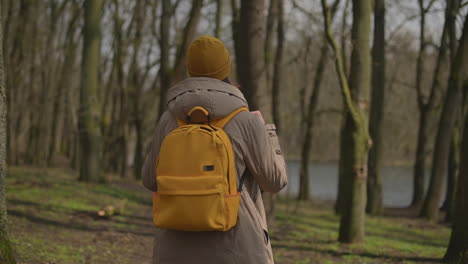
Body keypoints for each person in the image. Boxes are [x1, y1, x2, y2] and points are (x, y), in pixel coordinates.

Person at [142, 35, 288, 264]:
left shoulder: (169, 120)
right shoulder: (245, 121)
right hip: (237, 250)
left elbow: (150, 180)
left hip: (174, 251)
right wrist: (267, 132)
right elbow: (274, 181)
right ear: (226, 69)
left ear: (190, 70)